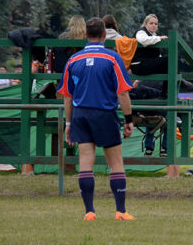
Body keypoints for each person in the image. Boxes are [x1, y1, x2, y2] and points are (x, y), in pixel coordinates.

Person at [56, 17, 135, 221]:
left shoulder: (73, 60)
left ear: (85, 36)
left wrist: (68, 123)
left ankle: (89, 212)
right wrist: (129, 119)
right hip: (104, 113)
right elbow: (123, 94)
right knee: (116, 164)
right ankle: (120, 211)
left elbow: (67, 95)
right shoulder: (112, 58)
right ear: (103, 35)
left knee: (85, 162)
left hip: (80, 114)